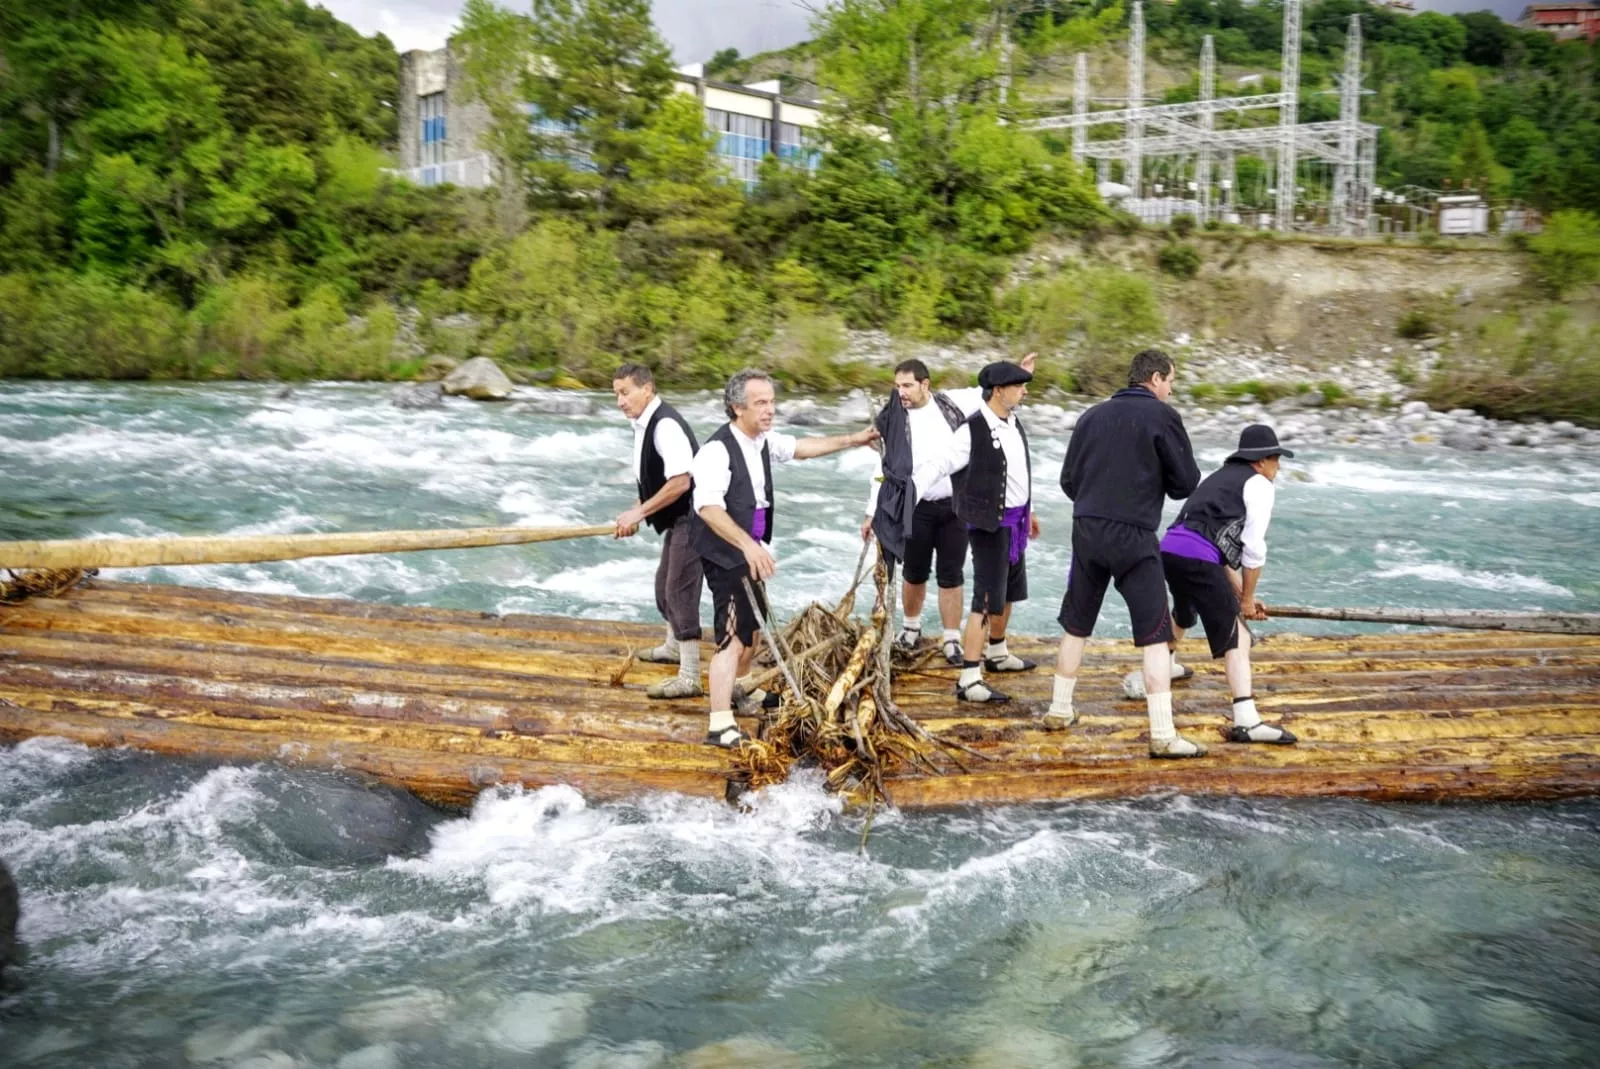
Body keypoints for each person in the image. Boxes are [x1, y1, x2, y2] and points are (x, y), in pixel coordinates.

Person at [690, 369, 880, 748]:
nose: (770, 409)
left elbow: (801, 448)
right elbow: (708, 508)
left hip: (752, 547)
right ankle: (719, 722)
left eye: (772, 401)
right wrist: (747, 546)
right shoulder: (716, 450)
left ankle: (742, 690)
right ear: (736, 407)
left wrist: (854, 440)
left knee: (753, 635)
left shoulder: (762, 440)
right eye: (761, 402)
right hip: (725, 552)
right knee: (729, 640)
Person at [1047, 349, 1207, 757]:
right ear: (1154, 378)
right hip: (1134, 532)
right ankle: (1162, 734)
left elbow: (1068, 480)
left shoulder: (1090, 416)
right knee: (1155, 631)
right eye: (1170, 380)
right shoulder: (1163, 416)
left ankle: (1059, 709)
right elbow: (1186, 482)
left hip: (1087, 527)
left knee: (1077, 621)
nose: (1171, 388)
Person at [861, 354, 1035, 664]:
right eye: (897, 385)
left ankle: (952, 638)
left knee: (951, 574)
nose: (900, 391)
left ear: (924, 384)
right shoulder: (894, 418)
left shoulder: (951, 403)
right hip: (915, 507)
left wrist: (1019, 372)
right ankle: (911, 629)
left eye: (907, 385)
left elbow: (993, 386)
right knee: (914, 572)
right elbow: (883, 466)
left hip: (954, 505)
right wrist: (872, 510)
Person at [1156, 425, 1297, 744]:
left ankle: (1159, 670)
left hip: (1171, 550)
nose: (1278, 467)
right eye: (1276, 459)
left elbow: (1215, 556)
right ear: (1260, 461)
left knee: (1185, 609)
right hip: (1197, 556)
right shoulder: (1259, 484)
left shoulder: (1219, 477)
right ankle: (1247, 722)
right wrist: (1245, 604)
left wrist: (1244, 595)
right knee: (1239, 636)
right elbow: (1253, 548)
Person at [912, 359, 1042, 703]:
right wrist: (909, 493)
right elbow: (940, 464)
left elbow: (1016, 471)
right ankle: (969, 678)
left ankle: (997, 653)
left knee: (1010, 592)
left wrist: (1030, 511)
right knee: (985, 600)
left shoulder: (1013, 421)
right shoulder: (972, 429)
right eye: (1019, 386)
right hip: (990, 526)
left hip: (1015, 522)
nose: (1025, 391)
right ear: (998, 390)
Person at [611, 363, 706, 699]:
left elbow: (682, 481)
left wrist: (639, 511)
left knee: (679, 589)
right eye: (616, 395)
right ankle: (673, 646)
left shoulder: (665, 425)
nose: (620, 401)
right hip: (679, 518)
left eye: (625, 392)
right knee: (663, 587)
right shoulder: (643, 424)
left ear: (647, 389)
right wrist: (637, 513)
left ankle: (691, 676)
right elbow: (651, 477)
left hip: (697, 517)